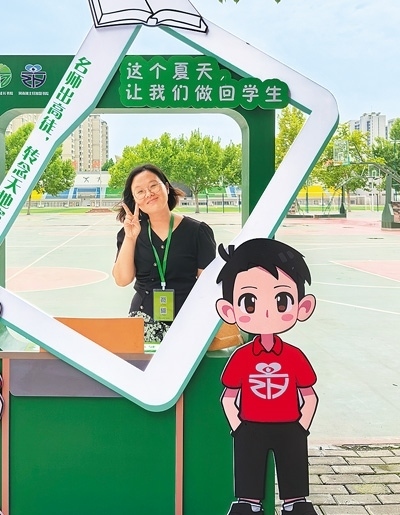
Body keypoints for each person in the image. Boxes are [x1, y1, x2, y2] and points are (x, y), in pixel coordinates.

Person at [215, 238, 318, 515]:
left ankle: (295, 503)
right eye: (249, 302)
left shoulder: (294, 356)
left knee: (294, 476)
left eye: (282, 300)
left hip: (290, 426)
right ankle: (249, 504)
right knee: (248, 478)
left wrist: (301, 427)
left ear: (303, 307)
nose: (268, 311)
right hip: (250, 426)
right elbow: (228, 397)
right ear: (229, 310)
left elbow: (309, 395)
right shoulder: (242, 357)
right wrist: (239, 427)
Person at [113, 163, 216, 343]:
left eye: (153, 186)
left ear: (166, 188)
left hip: (188, 319)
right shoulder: (129, 233)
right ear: (135, 200)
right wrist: (130, 237)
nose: (149, 193)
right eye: (140, 191)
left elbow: (207, 285)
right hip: (143, 321)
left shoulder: (198, 231)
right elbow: (122, 280)